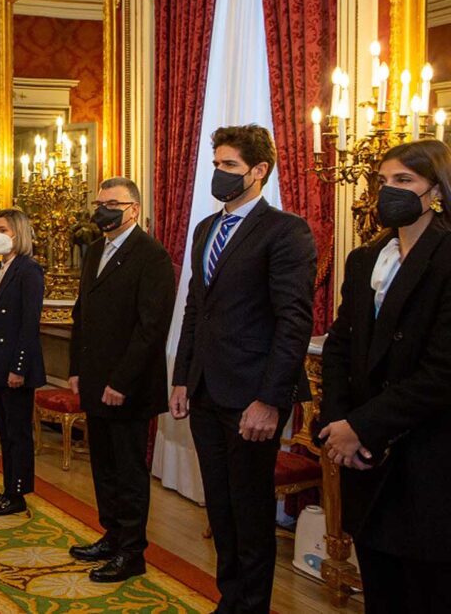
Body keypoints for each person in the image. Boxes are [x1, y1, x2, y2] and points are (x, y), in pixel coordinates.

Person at [170, 124, 316, 614]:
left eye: (229, 165)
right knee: (221, 508)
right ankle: (229, 600)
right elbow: (196, 308)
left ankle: (251, 606)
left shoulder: (285, 231)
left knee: (251, 514)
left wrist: (271, 400)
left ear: (259, 171)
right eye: (216, 164)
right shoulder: (205, 229)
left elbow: (294, 321)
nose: (219, 173)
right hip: (206, 392)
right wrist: (183, 378)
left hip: (253, 396)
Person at [320, 139, 451, 613]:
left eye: (404, 181)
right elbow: (338, 348)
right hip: (364, 460)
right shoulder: (364, 260)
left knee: (426, 592)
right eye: (383, 181)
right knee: (381, 590)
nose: (388, 191)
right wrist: (339, 427)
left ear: (435, 191)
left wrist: (363, 427)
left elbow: (442, 372)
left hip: (426, 459)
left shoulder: (446, 257)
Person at [67, 177, 174, 582]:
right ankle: (111, 535)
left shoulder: (152, 255)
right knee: (103, 466)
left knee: (129, 470)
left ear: (132, 209)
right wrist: (76, 369)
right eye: (99, 202)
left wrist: (122, 381)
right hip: (94, 381)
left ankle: (132, 552)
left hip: (129, 386)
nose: (102, 210)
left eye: (111, 203)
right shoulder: (94, 250)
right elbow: (83, 316)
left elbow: (151, 328)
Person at [0, 208, 45, 517]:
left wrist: (19, 367)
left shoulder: (29, 271)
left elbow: (29, 324)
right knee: (3, 433)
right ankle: (7, 489)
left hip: (15, 365)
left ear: (17, 232)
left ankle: (18, 494)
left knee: (18, 432)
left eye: (2, 229)